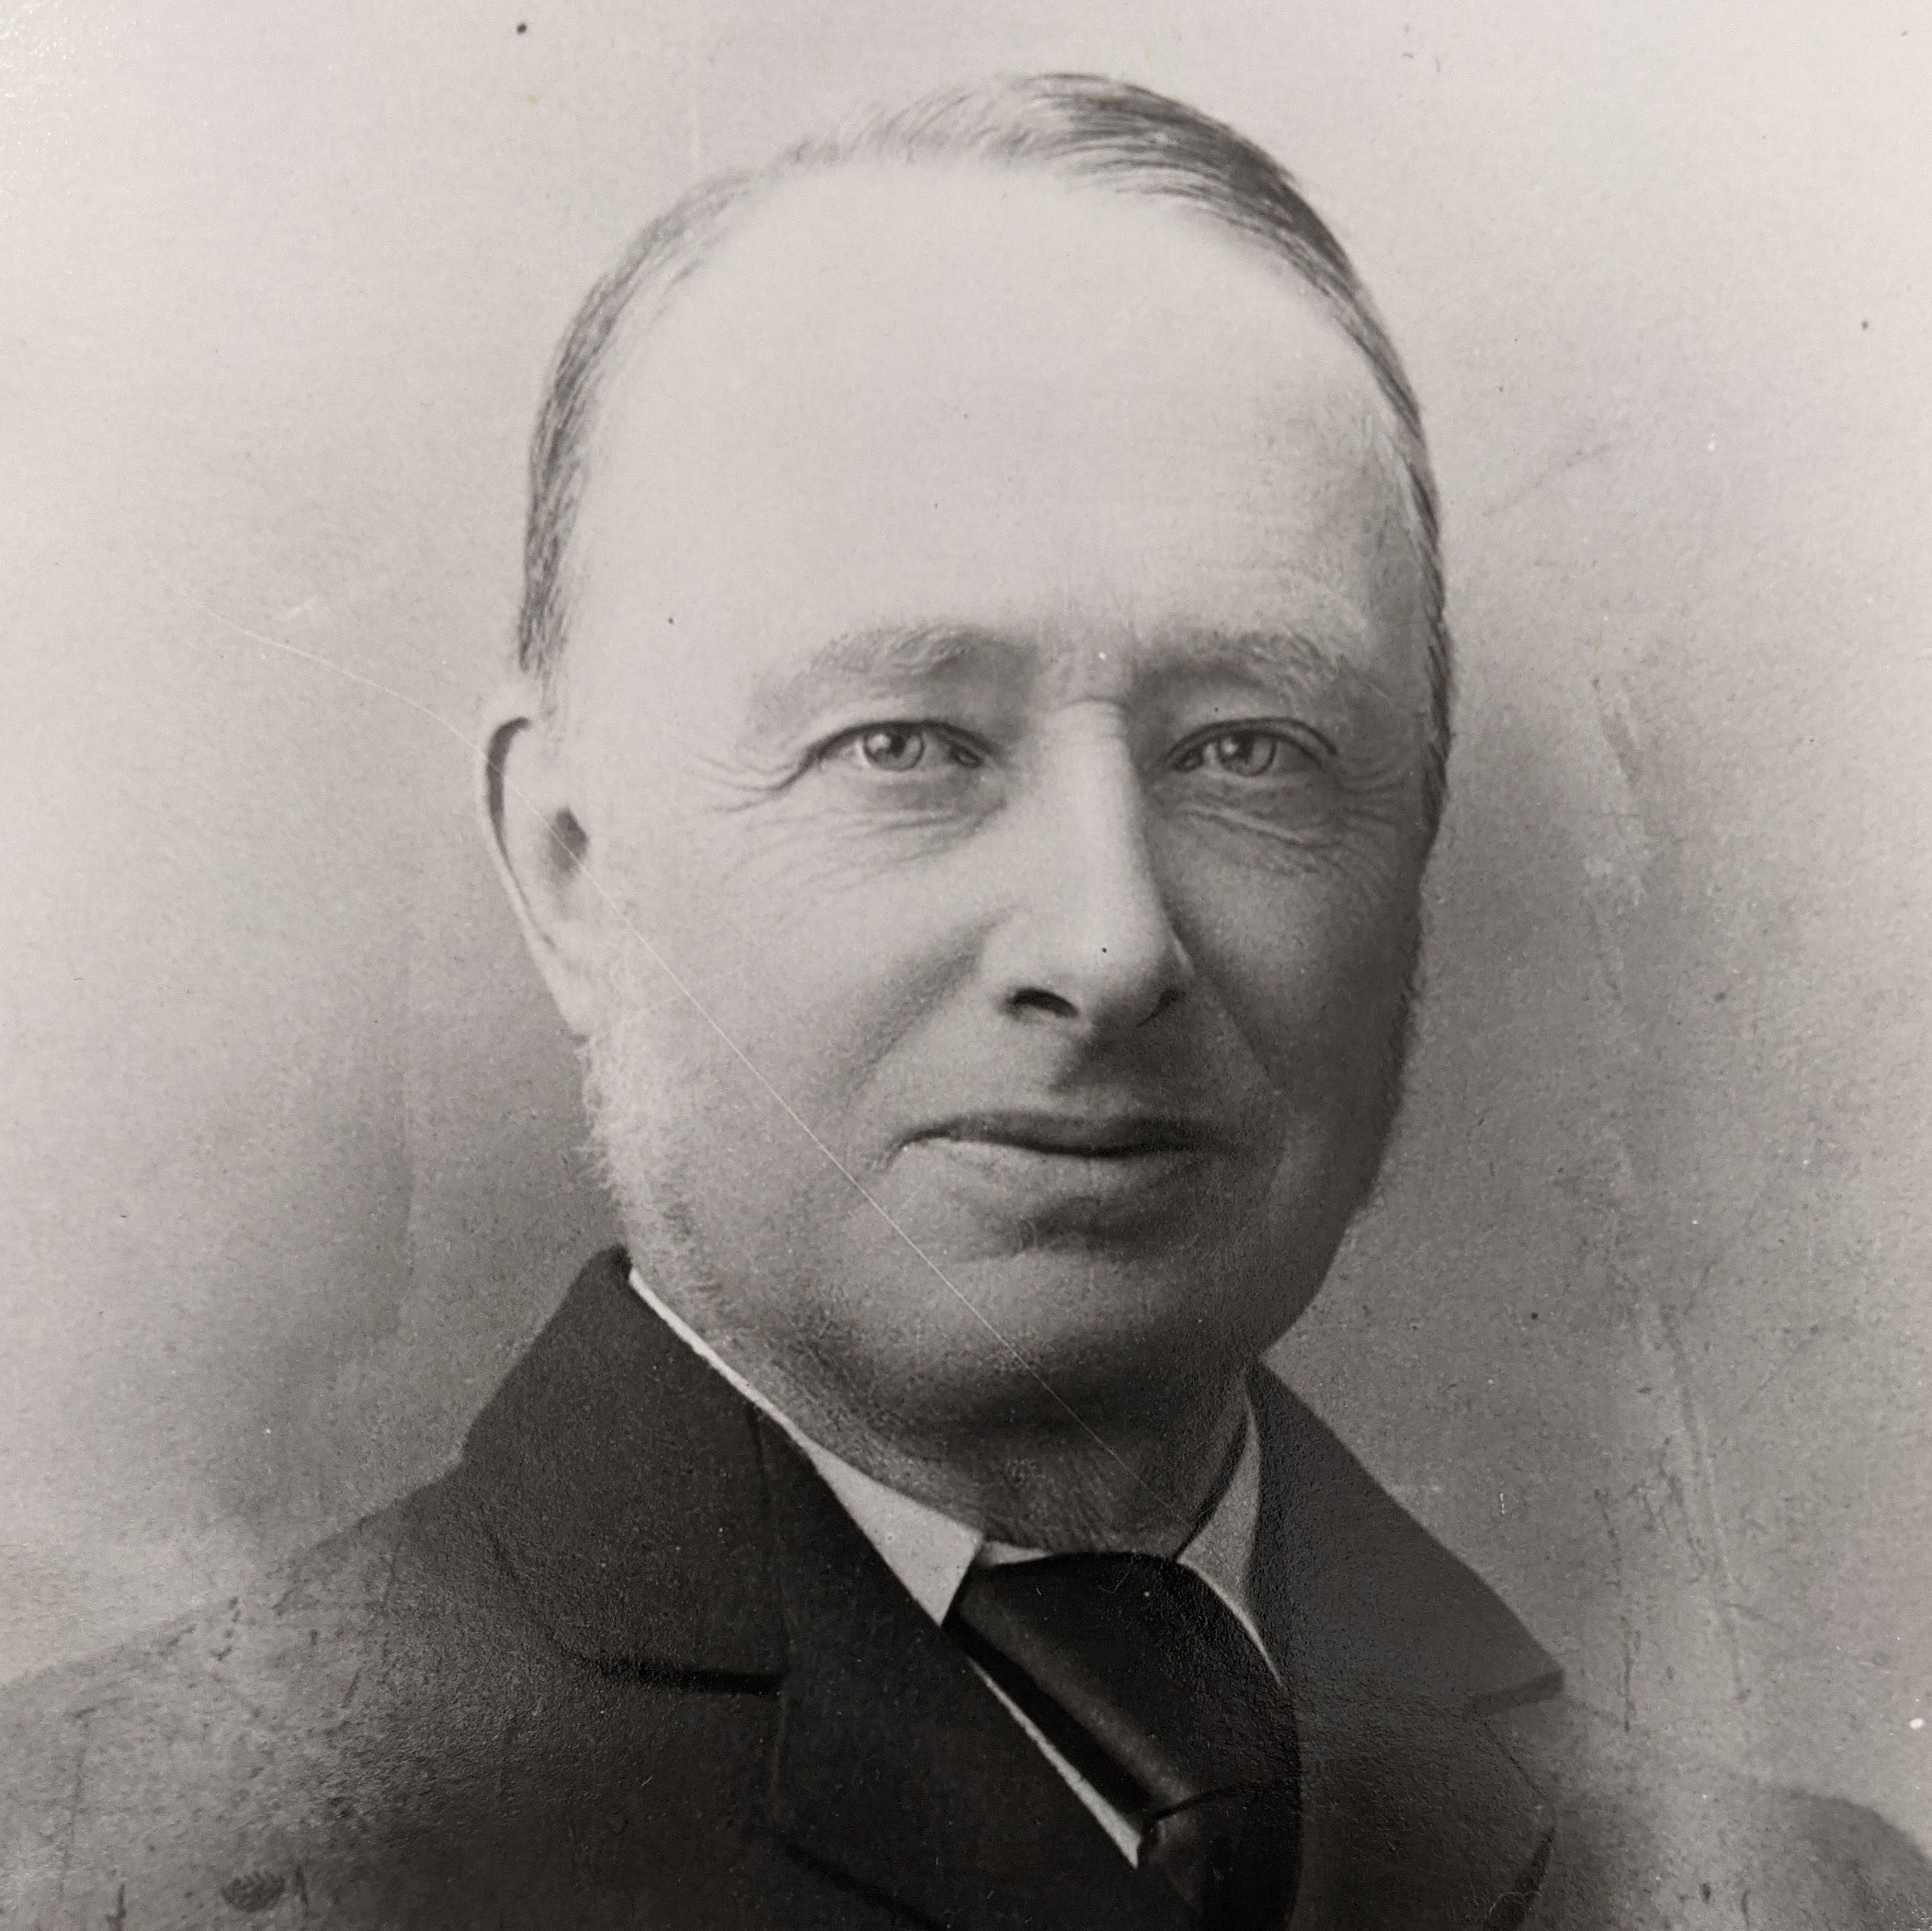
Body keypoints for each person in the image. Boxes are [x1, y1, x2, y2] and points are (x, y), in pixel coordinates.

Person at [2, 74, 1926, 1931]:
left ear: (1410, 840)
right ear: (570, 867)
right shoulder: (103, 1863)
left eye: (1247, 747)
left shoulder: (1804, 1900)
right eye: (907, 742)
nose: (1107, 944)